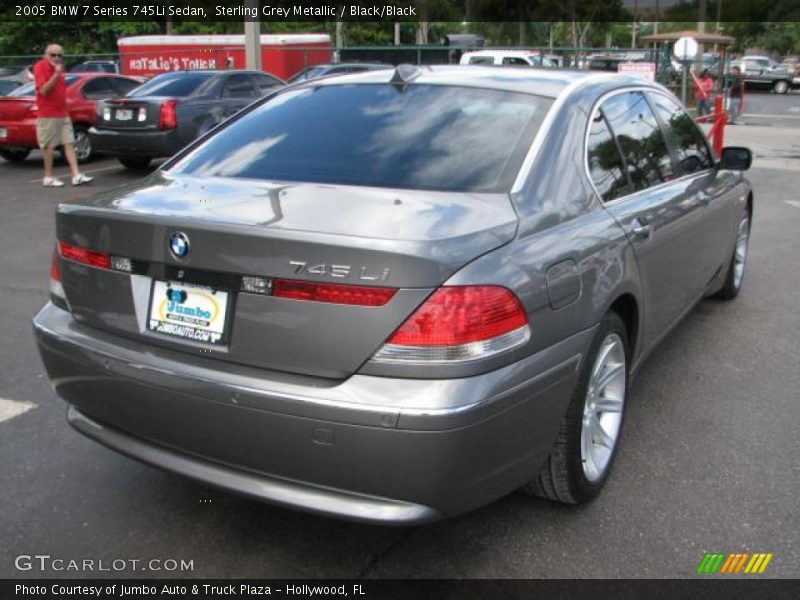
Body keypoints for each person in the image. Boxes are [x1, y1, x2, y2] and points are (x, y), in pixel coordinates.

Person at [32, 43, 93, 187]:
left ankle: (76, 175)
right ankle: (48, 177)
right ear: (46, 55)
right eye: (53, 55)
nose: (57, 58)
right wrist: (56, 74)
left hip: (62, 112)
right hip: (48, 113)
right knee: (50, 146)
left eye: (60, 55)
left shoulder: (59, 70)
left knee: (69, 142)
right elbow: (44, 91)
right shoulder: (40, 67)